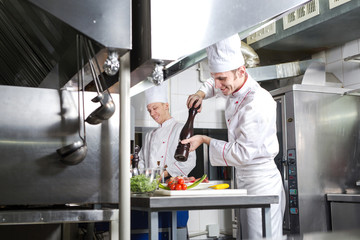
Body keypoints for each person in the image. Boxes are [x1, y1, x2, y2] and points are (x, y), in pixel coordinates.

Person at [182, 34, 285, 240]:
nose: (218, 85)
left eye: (222, 79)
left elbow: (242, 153)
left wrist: (204, 139)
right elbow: (213, 83)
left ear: (241, 71)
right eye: (215, 77)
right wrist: (200, 94)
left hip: (261, 182)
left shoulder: (257, 102)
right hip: (245, 179)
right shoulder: (233, 84)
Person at [138, 81, 196, 178]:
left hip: (172, 183)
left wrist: (164, 174)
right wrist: (144, 176)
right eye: (149, 110)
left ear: (166, 106)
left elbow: (189, 161)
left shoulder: (181, 129)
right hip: (150, 185)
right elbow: (141, 160)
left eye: (155, 108)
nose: (152, 113)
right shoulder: (149, 135)